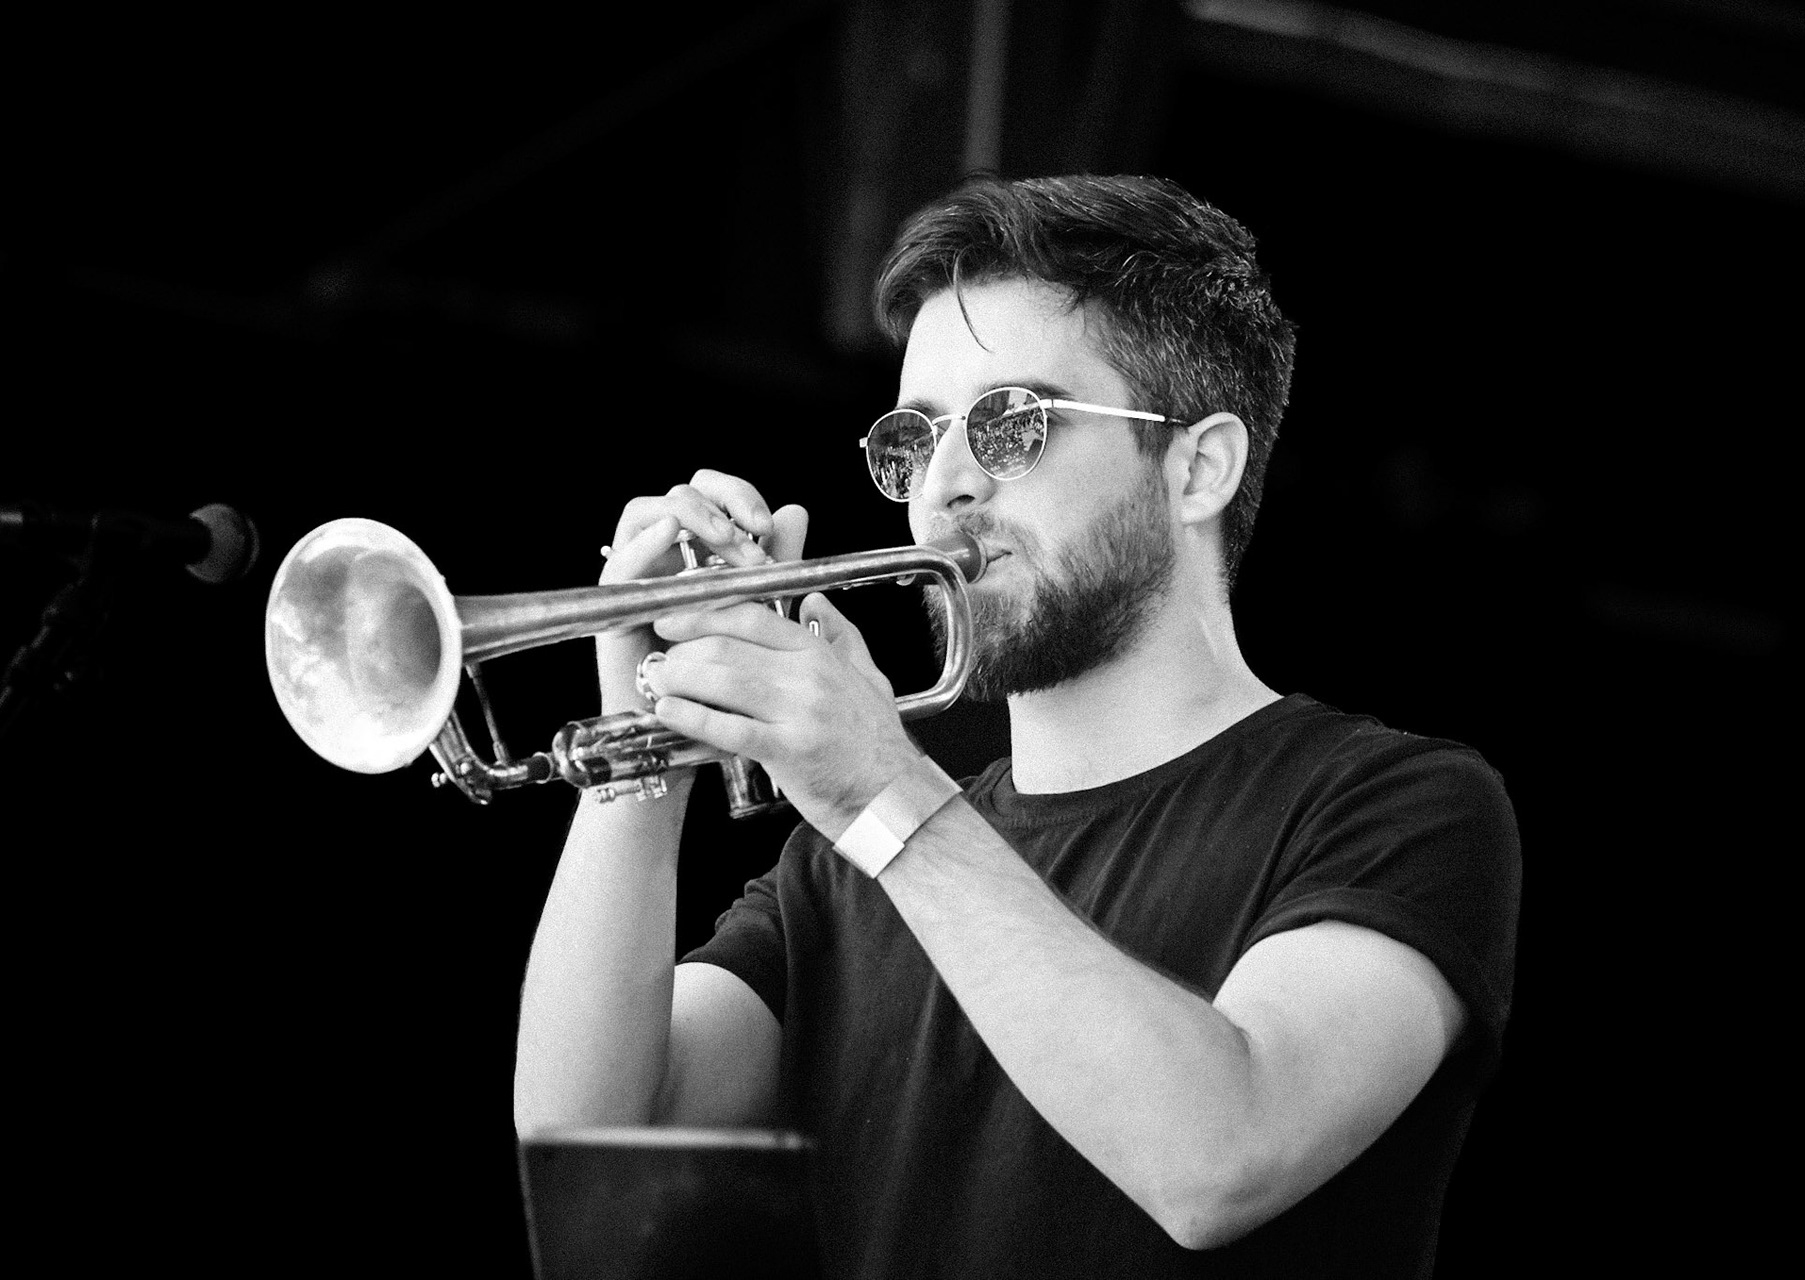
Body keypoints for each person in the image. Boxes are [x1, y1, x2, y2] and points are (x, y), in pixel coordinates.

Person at [514, 174, 1522, 1278]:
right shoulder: (844, 875)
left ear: (1199, 467)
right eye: (915, 437)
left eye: (1012, 425)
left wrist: (882, 792)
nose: (943, 487)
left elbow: (1220, 1157)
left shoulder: (1397, 805)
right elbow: (593, 1158)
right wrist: (640, 748)